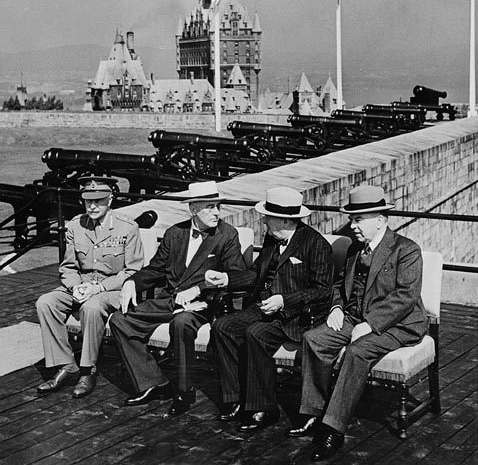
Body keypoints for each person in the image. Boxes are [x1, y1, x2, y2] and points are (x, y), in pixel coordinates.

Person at [287, 185, 428, 461]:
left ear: (380, 220)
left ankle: (333, 429)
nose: (352, 226)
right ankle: (313, 413)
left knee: (357, 351)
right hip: (354, 316)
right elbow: (340, 284)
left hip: (397, 324)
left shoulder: (407, 250)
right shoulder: (354, 249)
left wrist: (371, 324)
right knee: (313, 339)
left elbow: (406, 297)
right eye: (352, 219)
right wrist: (337, 307)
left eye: (358, 219)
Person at [109, 181, 247, 416]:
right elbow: (155, 270)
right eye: (209, 207)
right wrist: (131, 282)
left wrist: (201, 288)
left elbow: (238, 275)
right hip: (170, 300)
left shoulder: (227, 235)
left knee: (181, 323)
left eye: (218, 207)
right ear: (193, 209)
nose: (216, 213)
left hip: (203, 305)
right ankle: (154, 382)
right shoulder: (175, 233)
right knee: (120, 321)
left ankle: (184, 391)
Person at [212, 186, 333, 432]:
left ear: (287, 220)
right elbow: (257, 274)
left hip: (295, 314)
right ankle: (236, 398)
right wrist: (227, 279)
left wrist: (284, 301)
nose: (264, 220)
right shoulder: (272, 238)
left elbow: (322, 290)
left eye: (269, 216)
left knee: (256, 334)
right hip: (264, 305)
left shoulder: (316, 244)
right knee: (223, 327)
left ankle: (264, 408)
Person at [36, 176, 144, 398]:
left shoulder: (127, 227)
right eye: (88, 201)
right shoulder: (76, 226)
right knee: (46, 303)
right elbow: (68, 267)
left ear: (110, 200)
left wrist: (100, 288)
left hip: (113, 290)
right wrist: (75, 287)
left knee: (92, 307)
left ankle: (88, 369)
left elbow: (133, 271)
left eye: (99, 200)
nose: (93, 206)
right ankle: (66, 364)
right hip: (83, 285)